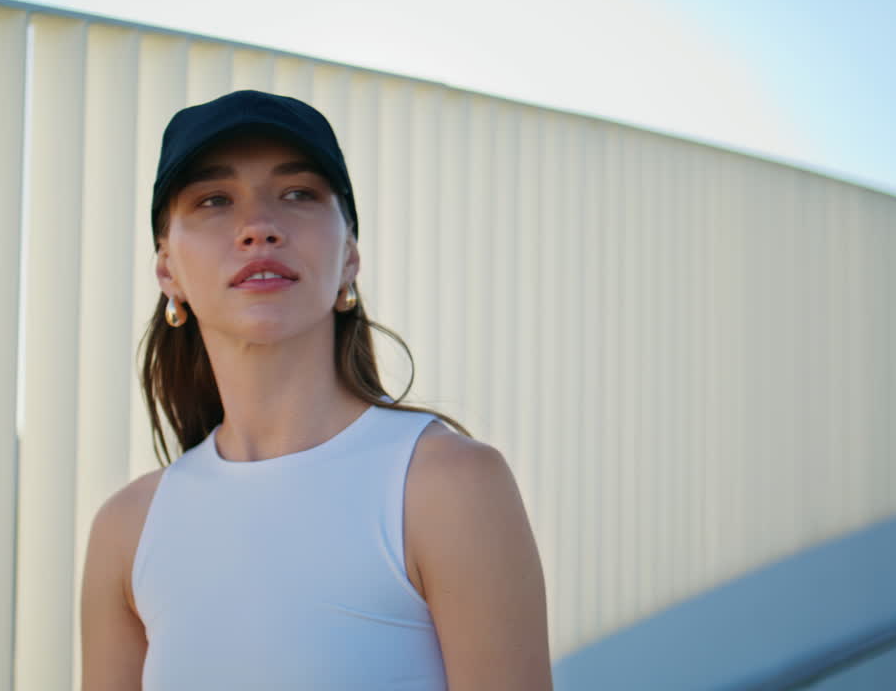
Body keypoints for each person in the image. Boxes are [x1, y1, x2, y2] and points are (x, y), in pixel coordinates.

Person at [79, 89, 552, 690]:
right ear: (167, 268)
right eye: (214, 200)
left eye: (298, 194)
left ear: (349, 255)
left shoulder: (448, 487)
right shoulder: (126, 531)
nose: (258, 227)